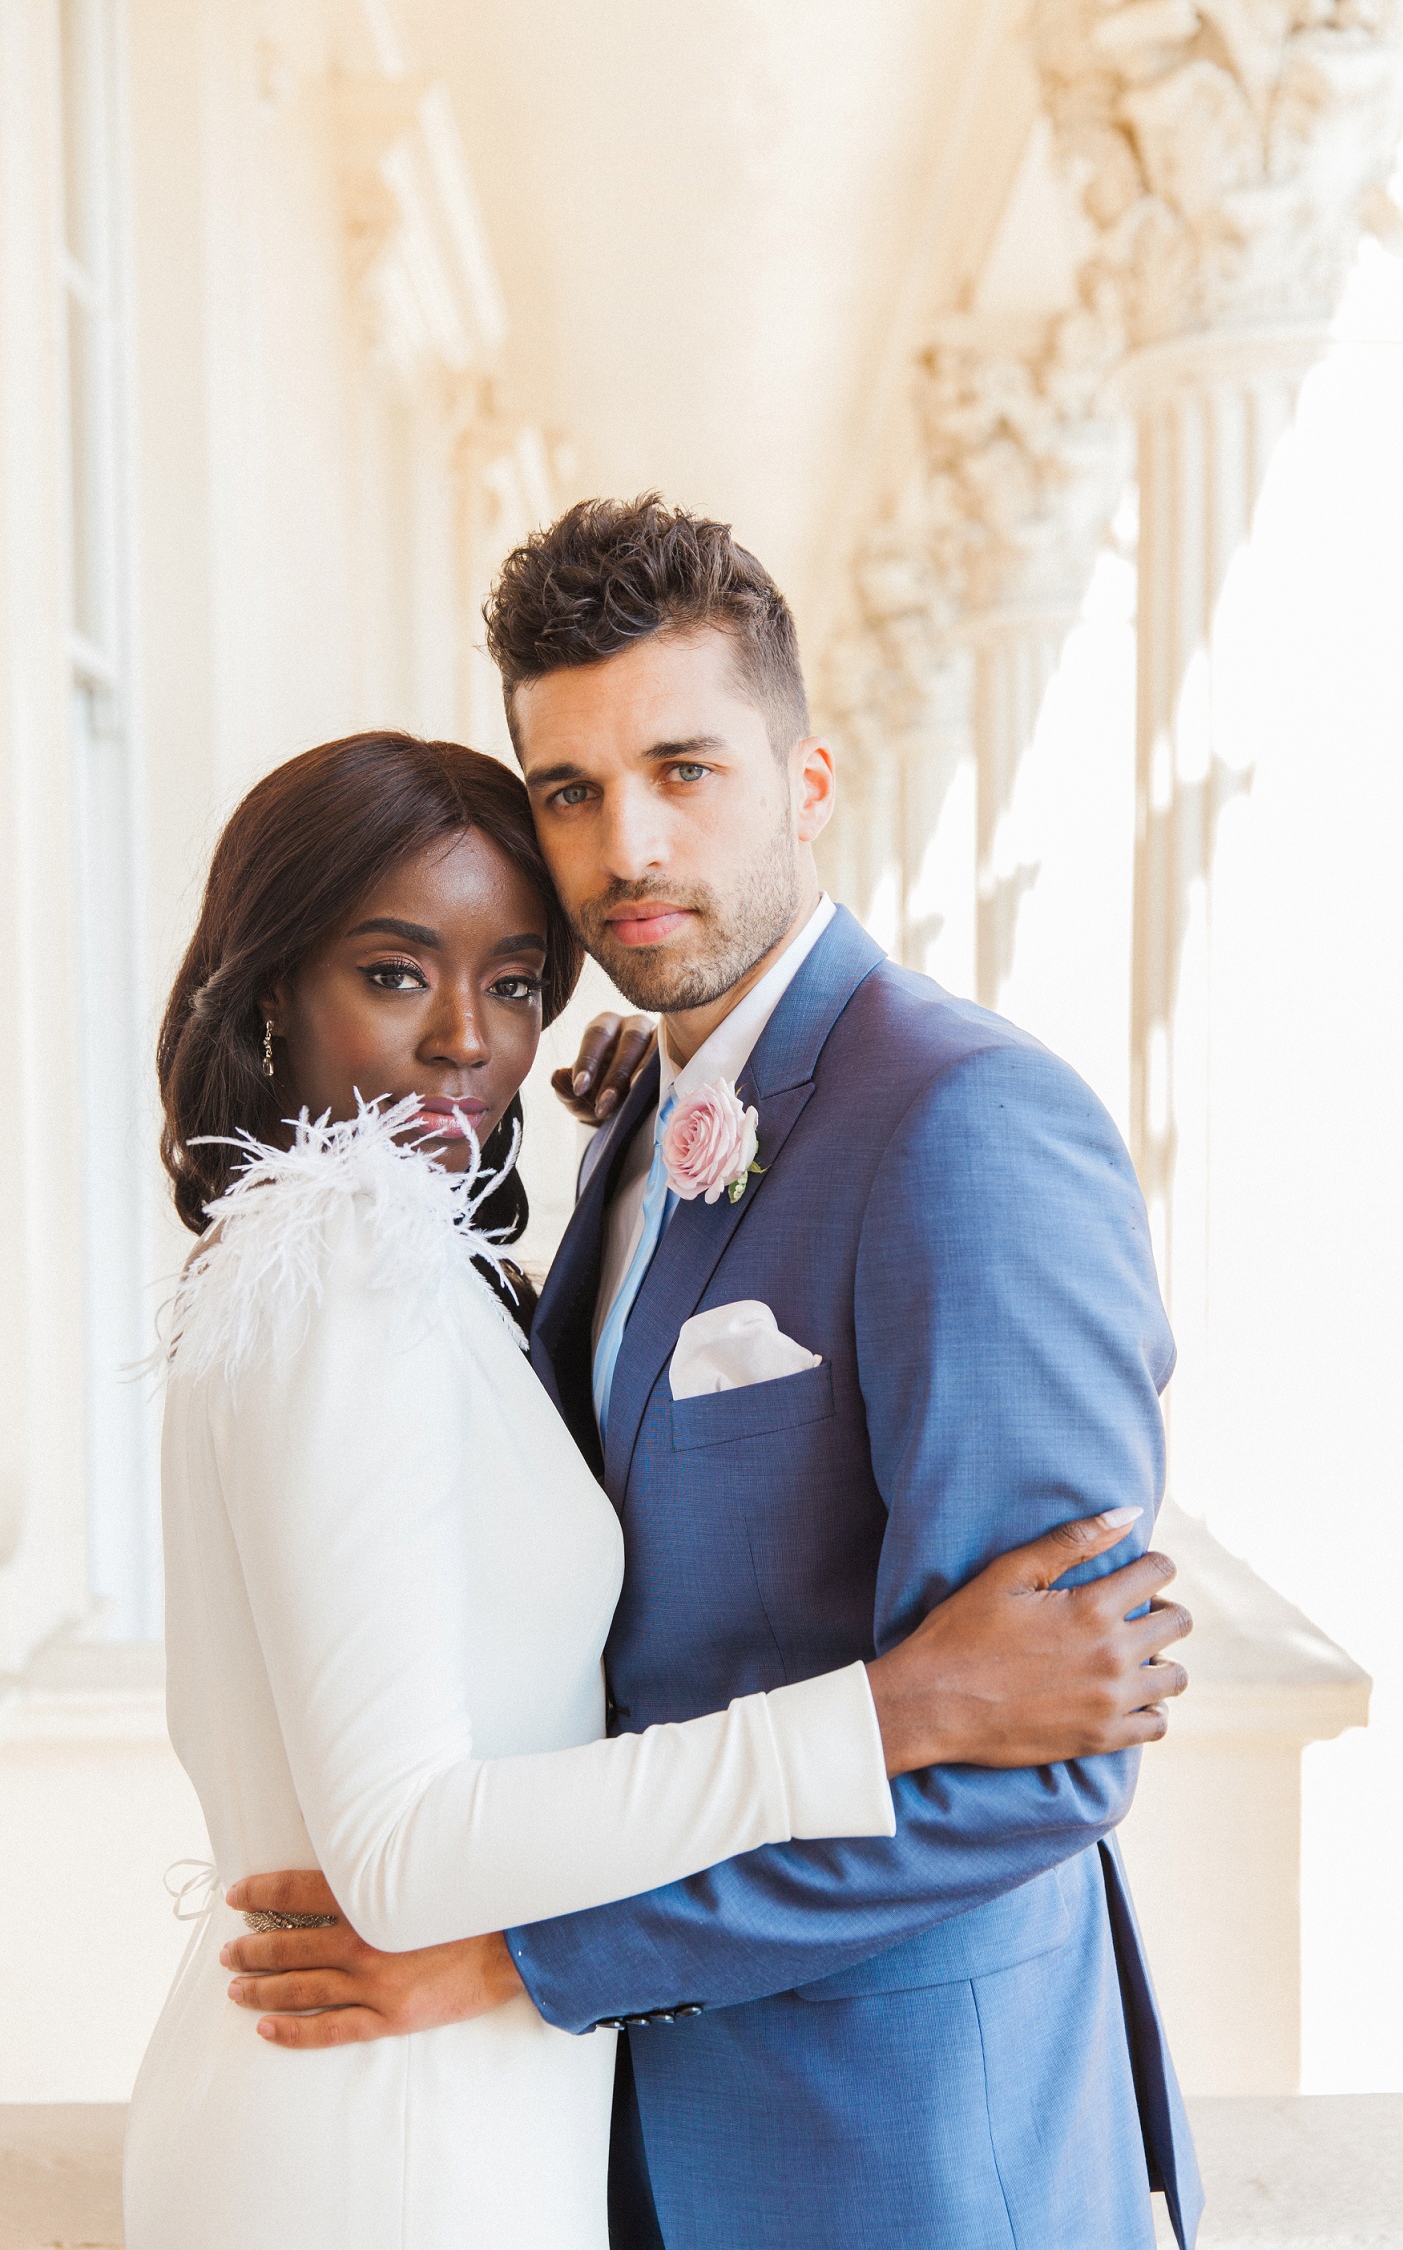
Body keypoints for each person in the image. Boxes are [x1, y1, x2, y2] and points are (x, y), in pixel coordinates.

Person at [226, 498, 1204, 2250]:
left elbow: (1041, 1752)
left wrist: (530, 1961)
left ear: (810, 782)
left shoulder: (967, 1124)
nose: (630, 847)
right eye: (573, 790)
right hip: (624, 2152)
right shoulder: (627, 1124)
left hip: (906, 2146)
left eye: (688, 768)